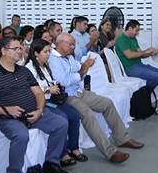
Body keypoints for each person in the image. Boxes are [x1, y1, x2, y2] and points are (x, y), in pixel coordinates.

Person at [0, 36, 69, 173]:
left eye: (21, 48)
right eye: (16, 48)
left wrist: (39, 110)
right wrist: (5, 110)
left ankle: (51, 162)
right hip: (8, 118)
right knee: (21, 135)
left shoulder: (23, 71)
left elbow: (38, 92)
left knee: (61, 123)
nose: (21, 51)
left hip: (33, 112)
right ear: (3, 51)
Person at [50, 33, 140, 162]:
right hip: (66, 96)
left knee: (107, 103)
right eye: (70, 44)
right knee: (87, 114)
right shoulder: (52, 59)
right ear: (59, 43)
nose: (73, 47)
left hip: (78, 91)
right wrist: (84, 68)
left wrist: (83, 68)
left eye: (73, 44)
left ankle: (122, 138)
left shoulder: (68, 57)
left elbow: (78, 70)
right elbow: (63, 81)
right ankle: (110, 152)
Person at [26, 39, 85, 167]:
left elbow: (51, 82)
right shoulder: (29, 68)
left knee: (74, 114)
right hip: (41, 102)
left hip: (52, 99)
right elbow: (30, 91)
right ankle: (62, 154)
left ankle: (73, 147)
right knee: (62, 117)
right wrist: (48, 89)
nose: (48, 54)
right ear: (36, 53)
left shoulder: (45, 65)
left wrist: (55, 86)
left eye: (49, 51)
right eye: (45, 52)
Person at [114, 20, 158, 90]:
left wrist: (150, 52)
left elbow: (141, 54)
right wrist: (146, 52)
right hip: (130, 68)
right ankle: (144, 94)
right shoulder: (121, 39)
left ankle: (144, 93)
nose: (138, 33)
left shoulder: (133, 39)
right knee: (157, 77)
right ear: (130, 28)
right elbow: (129, 55)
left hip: (139, 65)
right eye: (136, 30)